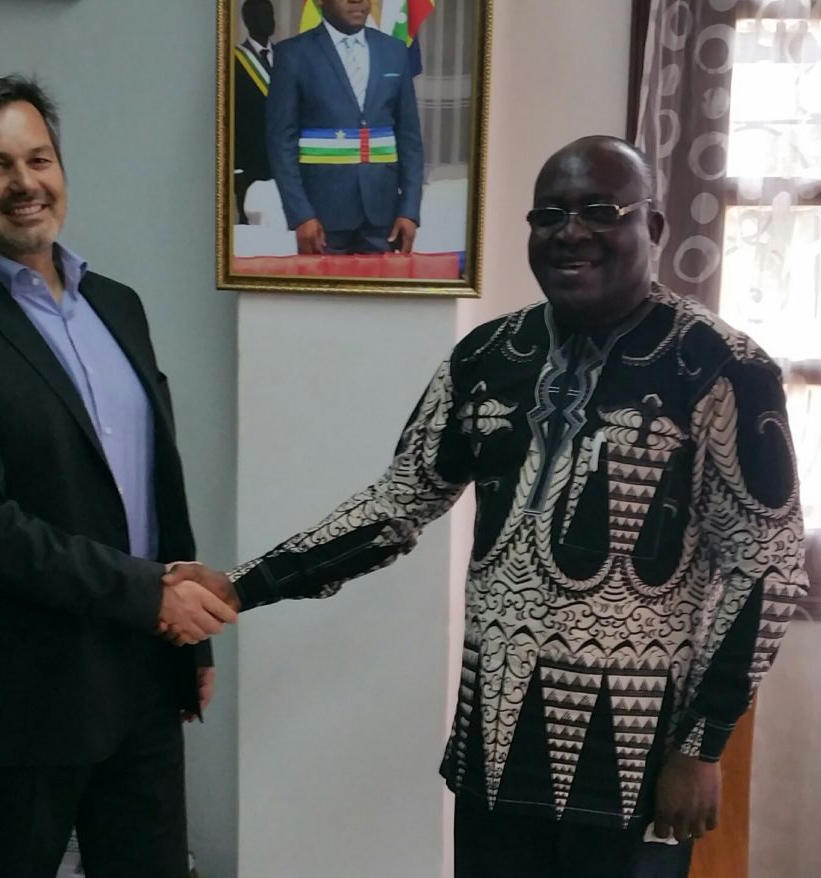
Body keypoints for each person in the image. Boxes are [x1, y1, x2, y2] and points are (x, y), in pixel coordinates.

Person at [165, 135, 810, 878]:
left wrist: (701, 745)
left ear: (654, 227)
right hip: (495, 751)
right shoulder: (488, 357)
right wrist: (241, 585)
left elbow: (766, 564)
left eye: (600, 211)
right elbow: (396, 504)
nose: (571, 232)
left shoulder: (722, 366)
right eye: (549, 215)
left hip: (636, 758)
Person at [0, 75, 236, 878]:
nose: (24, 183)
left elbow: (155, 485)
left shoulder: (119, 305)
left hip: (142, 675)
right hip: (18, 696)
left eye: (38, 159)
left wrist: (188, 644)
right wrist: (150, 595)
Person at [266, 0, 424, 255]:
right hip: (320, 221)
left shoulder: (394, 51)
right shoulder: (293, 54)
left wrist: (409, 210)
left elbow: (410, 138)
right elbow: (281, 142)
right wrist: (301, 214)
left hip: (384, 219)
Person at [234, 0, 276, 225]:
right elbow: (231, 119)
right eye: (261, 14)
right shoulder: (234, 62)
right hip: (250, 165)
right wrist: (236, 169)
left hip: (284, 165)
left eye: (270, 13)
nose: (269, 20)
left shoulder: (286, 56)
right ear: (247, 20)